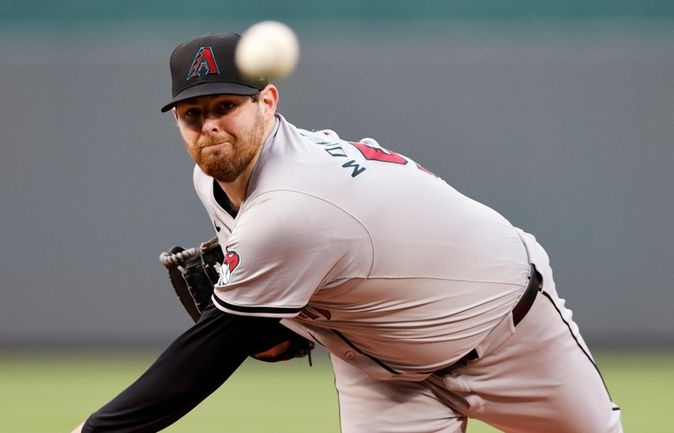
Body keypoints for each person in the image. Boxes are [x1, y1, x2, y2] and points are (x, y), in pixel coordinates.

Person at [72, 31, 623, 433]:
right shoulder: (213, 176)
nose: (209, 125)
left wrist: (97, 430)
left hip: (511, 333)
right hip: (383, 373)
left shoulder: (293, 205)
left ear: (268, 102)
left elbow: (203, 359)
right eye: (192, 115)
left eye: (225, 106)